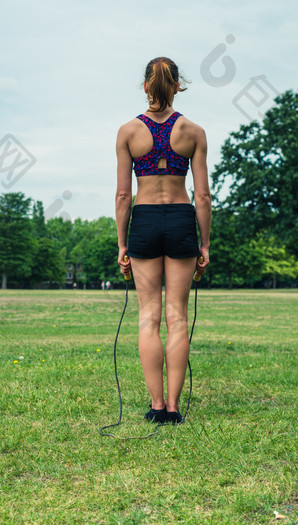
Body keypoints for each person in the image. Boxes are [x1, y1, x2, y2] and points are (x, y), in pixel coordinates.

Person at [115, 57, 211, 425]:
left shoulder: (127, 132)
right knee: (178, 317)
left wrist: (123, 244)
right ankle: (173, 407)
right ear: (176, 86)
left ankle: (155, 406)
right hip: (181, 220)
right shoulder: (193, 131)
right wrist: (204, 245)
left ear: (145, 87)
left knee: (148, 317)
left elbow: (124, 196)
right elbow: (202, 196)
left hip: (145, 220)